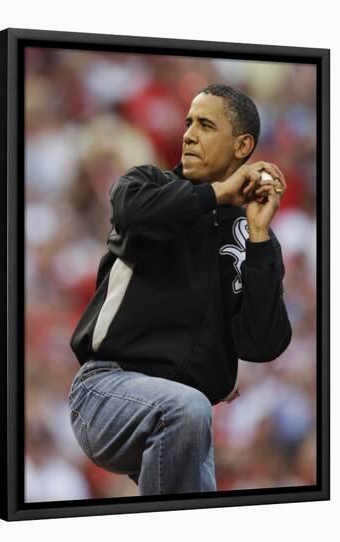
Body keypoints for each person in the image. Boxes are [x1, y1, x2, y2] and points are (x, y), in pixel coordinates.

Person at [68, 83, 292, 496]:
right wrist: (219, 193)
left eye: (206, 125)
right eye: (189, 122)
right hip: (106, 391)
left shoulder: (249, 236)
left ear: (243, 145)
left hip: (186, 418)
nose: (188, 134)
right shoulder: (146, 184)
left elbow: (263, 344)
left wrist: (259, 238)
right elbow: (132, 213)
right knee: (187, 408)